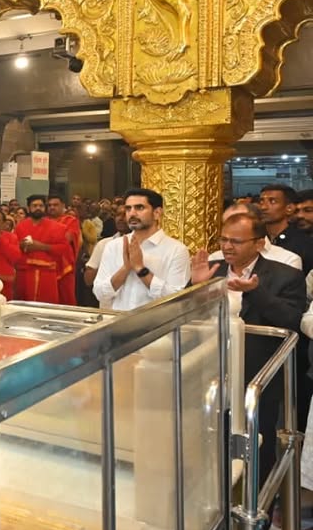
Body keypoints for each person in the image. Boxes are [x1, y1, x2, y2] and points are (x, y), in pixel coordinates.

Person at [191, 213, 308, 494]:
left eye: (236, 241)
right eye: (223, 240)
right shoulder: (213, 269)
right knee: (209, 441)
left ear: (258, 243)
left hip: (256, 377)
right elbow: (188, 318)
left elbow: (292, 320)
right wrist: (195, 288)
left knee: (257, 444)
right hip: (210, 372)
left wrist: (255, 293)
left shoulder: (286, 275)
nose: (227, 246)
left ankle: (255, 506)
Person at [92, 188, 190, 311]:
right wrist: (125, 269)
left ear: (157, 213)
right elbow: (100, 293)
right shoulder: (114, 246)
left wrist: (141, 269)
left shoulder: (176, 250)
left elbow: (178, 300)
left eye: (139, 208)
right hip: (119, 321)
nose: (132, 213)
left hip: (156, 322)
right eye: (128, 208)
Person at [13, 195, 71, 304]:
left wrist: (41, 246)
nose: (38, 208)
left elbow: (63, 248)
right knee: (23, 305)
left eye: (41, 205)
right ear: (29, 208)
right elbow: (14, 247)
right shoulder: (20, 226)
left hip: (47, 274)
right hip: (24, 273)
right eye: (34, 206)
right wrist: (21, 245)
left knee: (46, 305)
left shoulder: (57, 227)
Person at [260, 184, 313, 274]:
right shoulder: (255, 239)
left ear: (289, 208)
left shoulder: (305, 245)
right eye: (261, 201)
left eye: (272, 201)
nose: (263, 207)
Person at [84, 205, 129, 308]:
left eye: (125, 214)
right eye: (118, 214)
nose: (121, 218)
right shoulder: (104, 244)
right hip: (109, 307)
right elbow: (88, 280)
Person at [48, 195, 81, 306]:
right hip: (47, 266)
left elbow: (67, 238)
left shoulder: (70, 220)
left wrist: (45, 240)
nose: (52, 207)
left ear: (63, 205)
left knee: (66, 298)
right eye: (50, 205)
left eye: (55, 205)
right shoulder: (44, 221)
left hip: (65, 266)